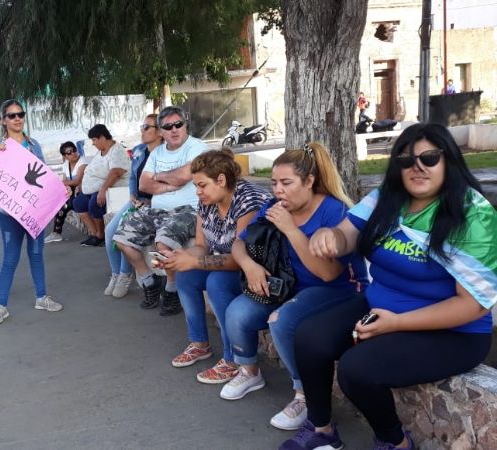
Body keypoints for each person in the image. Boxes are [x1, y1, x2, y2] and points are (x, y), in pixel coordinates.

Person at [281, 123, 496, 450]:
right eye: (406, 160)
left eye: (429, 158)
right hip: (382, 307)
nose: (417, 167)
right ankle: (321, 429)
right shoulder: (387, 198)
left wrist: (396, 323)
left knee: (357, 369)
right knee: (310, 337)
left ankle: (395, 442)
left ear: (448, 160)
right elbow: (347, 233)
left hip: (454, 332)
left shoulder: (472, 214)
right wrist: (331, 236)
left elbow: (473, 305)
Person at [220, 142, 369, 432]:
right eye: (274, 182)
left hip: (338, 290)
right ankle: (249, 370)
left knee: (282, 320)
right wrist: (249, 266)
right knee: (238, 311)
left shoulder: (334, 211)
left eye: (286, 183)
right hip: (291, 285)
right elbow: (239, 242)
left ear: (309, 181)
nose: (278, 190)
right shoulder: (274, 207)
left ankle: (305, 394)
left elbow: (328, 273)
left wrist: (290, 229)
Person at [160, 150, 270, 384]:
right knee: (186, 275)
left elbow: (241, 258)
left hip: (257, 269)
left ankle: (233, 358)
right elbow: (202, 246)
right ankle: (200, 343)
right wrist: (180, 257)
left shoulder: (249, 201)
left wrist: (195, 261)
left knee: (217, 282)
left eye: (202, 185)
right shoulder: (208, 201)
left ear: (221, 180)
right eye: (195, 186)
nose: (197, 192)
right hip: (231, 263)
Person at [113, 106, 208, 316]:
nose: (174, 130)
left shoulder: (197, 147)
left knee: (163, 242)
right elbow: (143, 185)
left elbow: (183, 176)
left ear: (185, 125)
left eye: (178, 124)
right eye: (168, 127)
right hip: (157, 211)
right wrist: (168, 185)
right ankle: (149, 280)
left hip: (189, 211)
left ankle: (172, 288)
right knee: (121, 237)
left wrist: (158, 176)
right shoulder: (157, 152)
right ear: (161, 131)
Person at [0, 99, 62, 326]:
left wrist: (58, 192)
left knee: (36, 254)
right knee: (10, 258)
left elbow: (44, 177)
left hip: (34, 212)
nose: (17, 119)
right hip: (9, 215)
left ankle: (41, 297)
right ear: (3, 121)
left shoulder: (33, 145)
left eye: (20, 114)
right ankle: (1, 306)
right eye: (12, 115)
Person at [103, 114, 160, 298]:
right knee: (110, 231)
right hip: (136, 200)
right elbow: (133, 177)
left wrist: (151, 200)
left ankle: (125, 275)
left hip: (154, 203)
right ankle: (116, 274)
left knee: (125, 231)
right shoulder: (139, 150)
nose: (142, 131)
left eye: (147, 127)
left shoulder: (165, 153)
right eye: (142, 127)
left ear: (159, 131)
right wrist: (132, 195)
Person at [74, 124, 130, 247]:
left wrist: (103, 189)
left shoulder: (117, 151)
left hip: (112, 187)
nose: (93, 143)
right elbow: (92, 170)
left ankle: (101, 235)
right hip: (96, 188)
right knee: (78, 203)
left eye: (94, 140)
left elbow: (116, 172)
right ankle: (94, 234)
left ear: (103, 137)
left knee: (95, 203)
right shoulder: (100, 151)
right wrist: (82, 184)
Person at [45, 141, 86, 244]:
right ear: (65, 156)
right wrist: (66, 185)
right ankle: (55, 233)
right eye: (69, 152)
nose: (73, 153)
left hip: (82, 191)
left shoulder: (82, 162)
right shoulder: (65, 165)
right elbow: (65, 181)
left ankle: (56, 233)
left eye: (74, 150)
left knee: (64, 205)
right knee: (57, 202)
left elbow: (77, 181)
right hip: (72, 192)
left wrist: (64, 183)